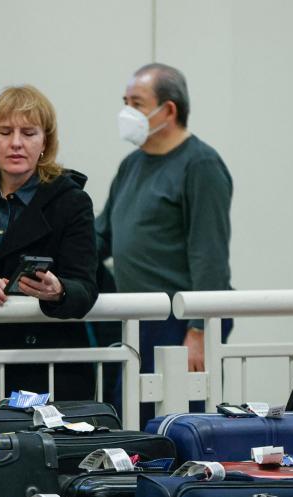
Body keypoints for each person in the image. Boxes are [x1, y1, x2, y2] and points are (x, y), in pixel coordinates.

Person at [0, 84, 99, 401]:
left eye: (28, 133)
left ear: (45, 141)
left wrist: (59, 290)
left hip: (48, 366)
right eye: (5, 131)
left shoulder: (71, 202)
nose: (16, 143)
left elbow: (85, 285)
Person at [94, 63, 232, 423]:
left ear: (168, 110)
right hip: (138, 319)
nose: (126, 112)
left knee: (178, 424)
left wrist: (200, 330)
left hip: (180, 320)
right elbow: (102, 236)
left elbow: (209, 256)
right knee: (130, 421)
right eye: (124, 101)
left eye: (136, 103)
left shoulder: (200, 165)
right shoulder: (132, 165)